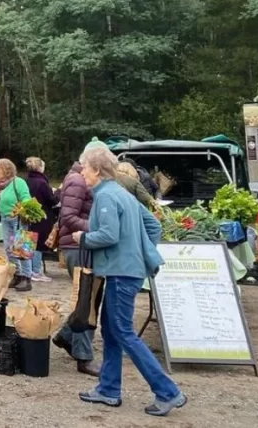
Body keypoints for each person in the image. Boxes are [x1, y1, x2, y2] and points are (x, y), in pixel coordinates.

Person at [74, 146, 187, 417]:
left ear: (97, 170)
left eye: (84, 168)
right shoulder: (122, 193)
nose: (82, 173)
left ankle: (168, 392)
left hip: (120, 273)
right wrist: (140, 251)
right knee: (111, 331)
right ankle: (108, 389)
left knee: (122, 331)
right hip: (129, 271)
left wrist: (84, 238)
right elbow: (154, 226)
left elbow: (109, 235)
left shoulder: (105, 197)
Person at [54, 154, 98, 376]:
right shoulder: (79, 182)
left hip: (82, 246)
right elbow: (68, 216)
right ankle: (83, 356)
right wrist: (97, 226)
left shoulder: (78, 181)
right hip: (77, 246)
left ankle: (65, 336)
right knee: (85, 301)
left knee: (88, 299)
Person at [0, 159, 33, 293]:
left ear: (6, 170)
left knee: (21, 248)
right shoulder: (1, 185)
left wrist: (21, 209)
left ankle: (27, 278)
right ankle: (17, 274)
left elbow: (26, 197)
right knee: (8, 248)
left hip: (18, 218)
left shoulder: (19, 182)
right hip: (5, 218)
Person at [21, 157, 58, 283]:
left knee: (27, 242)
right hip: (42, 216)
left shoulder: (25, 181)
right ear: (40, 167)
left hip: (27, 216)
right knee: (38, 245)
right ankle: (35, 271)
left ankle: (26, 270)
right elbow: (52, 200)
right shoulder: (42, 182)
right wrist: (58, 192)